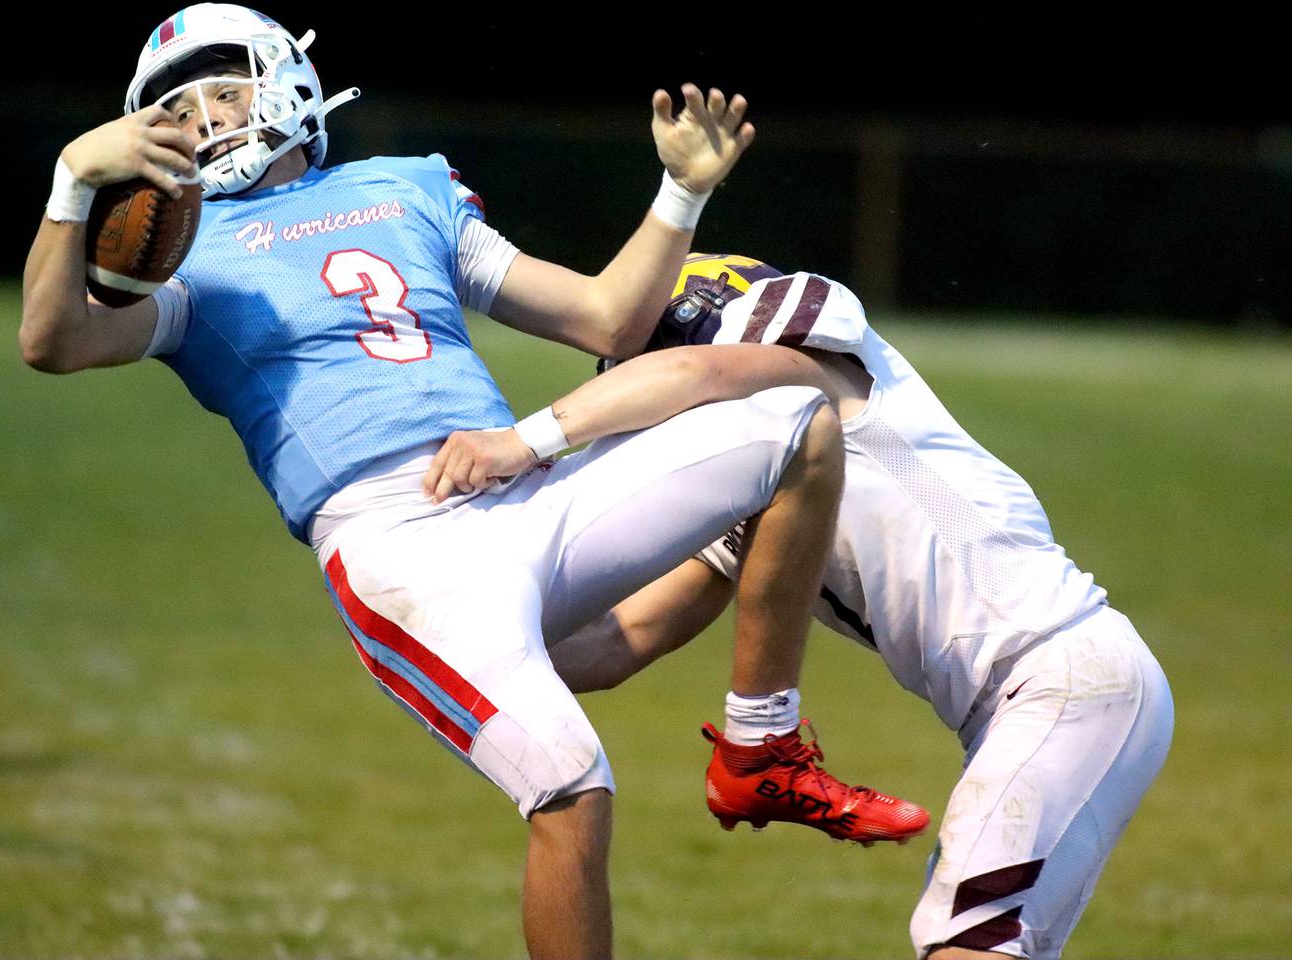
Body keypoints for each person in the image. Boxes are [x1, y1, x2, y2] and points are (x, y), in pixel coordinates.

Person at [18, 6, 925, 956]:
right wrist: (73, 179)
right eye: (177, 108)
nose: (204, 118)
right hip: (397, 545)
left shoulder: (404, 191)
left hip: (521, 487)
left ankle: (760, 741)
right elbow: (53, 340)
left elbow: (609, 318)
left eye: (224, 88)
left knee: (795, 424)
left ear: (286, 80)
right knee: (573, 784)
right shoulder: (185, 254)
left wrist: (680, 195)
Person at [460, 255, 1173, 960]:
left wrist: (525, 442)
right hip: (1035, 695)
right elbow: (625, 639)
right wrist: (457, 654)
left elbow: (695, 374)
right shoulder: (776, 483)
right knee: (979, 942)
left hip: (1067, 674)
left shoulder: (814, 376)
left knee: (964, 942)